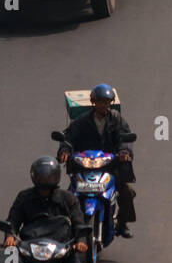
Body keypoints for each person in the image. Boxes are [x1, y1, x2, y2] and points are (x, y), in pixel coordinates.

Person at [58, 84, 136, 239]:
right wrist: (65, 151)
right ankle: (62, 227)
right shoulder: (82, 121)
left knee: (127, 192)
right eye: (100, 101)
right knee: (67, 196)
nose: (103, 105)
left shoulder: (116, 119)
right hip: (85, 166)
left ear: (111, 103)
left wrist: (124, 152)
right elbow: (69, 138)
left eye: (106, 102)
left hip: (109, 166)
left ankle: (121, 223)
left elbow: (125, 137)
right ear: (93, 102)